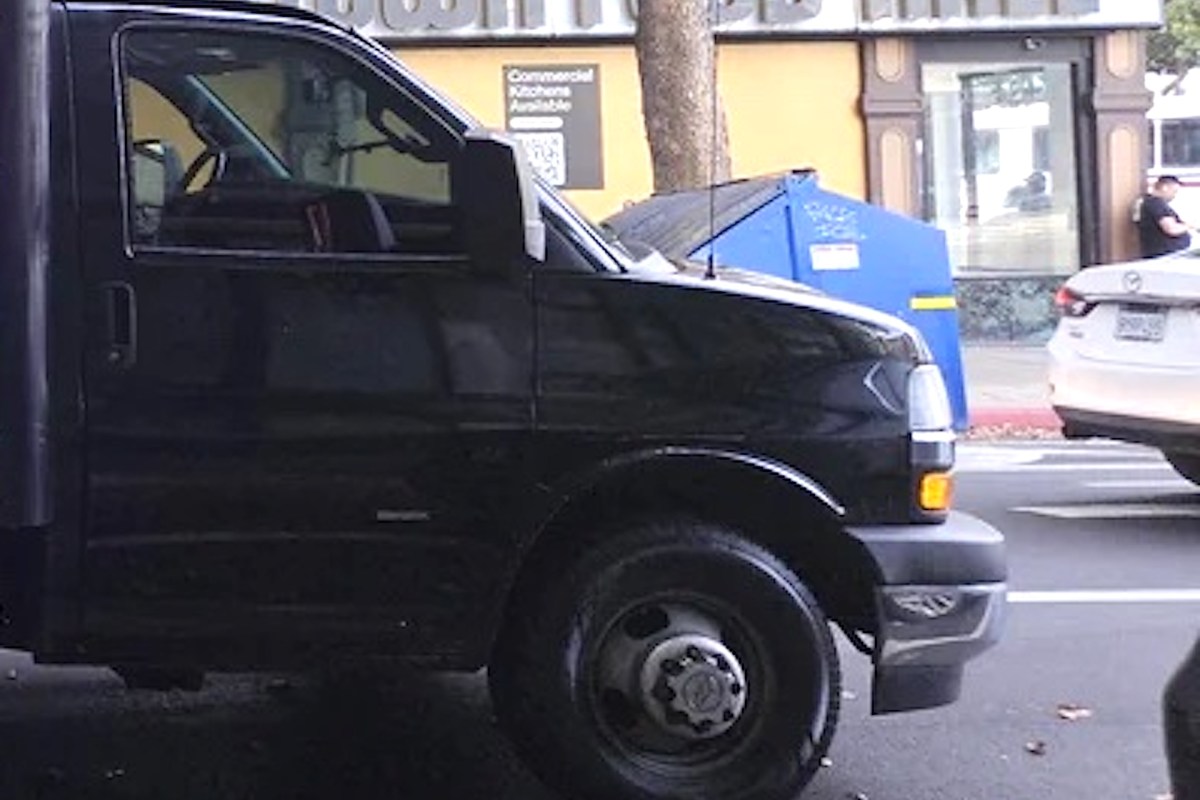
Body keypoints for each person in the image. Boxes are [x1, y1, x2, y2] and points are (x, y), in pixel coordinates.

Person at [1136, 175, 1193, 258]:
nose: (1174, 195)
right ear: (1164, 187)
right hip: (1165, 255)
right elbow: (1171, 229)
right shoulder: (1156, 204)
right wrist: (1189, 225)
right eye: (1174, 191)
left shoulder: (1148, 202)